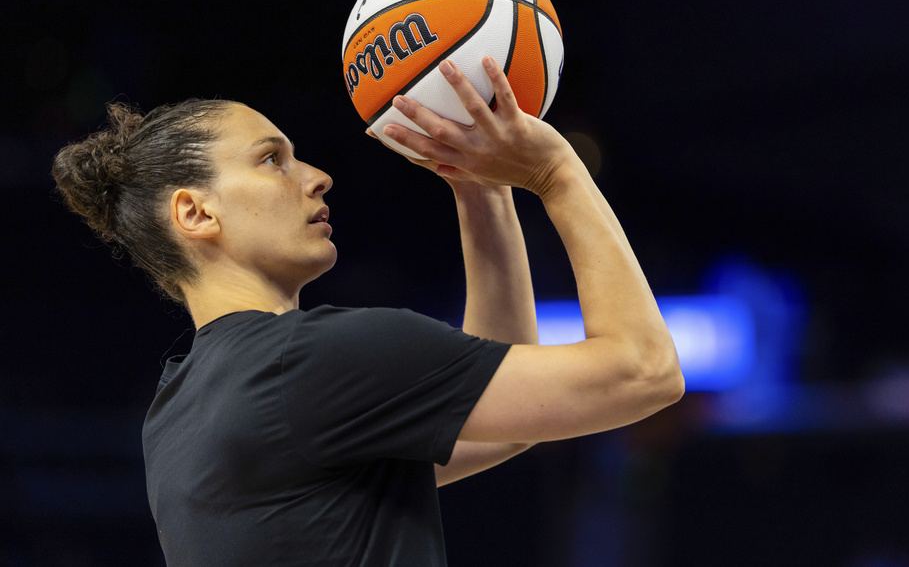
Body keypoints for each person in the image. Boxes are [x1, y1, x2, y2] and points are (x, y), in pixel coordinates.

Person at [51, 56, 685, 566]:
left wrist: (479, 186)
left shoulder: (179, 404)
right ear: (196, 213)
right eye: (272, 159)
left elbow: (510, 423)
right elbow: (643, 372)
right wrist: (555, 171)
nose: (318, 175)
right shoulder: (316, 361)